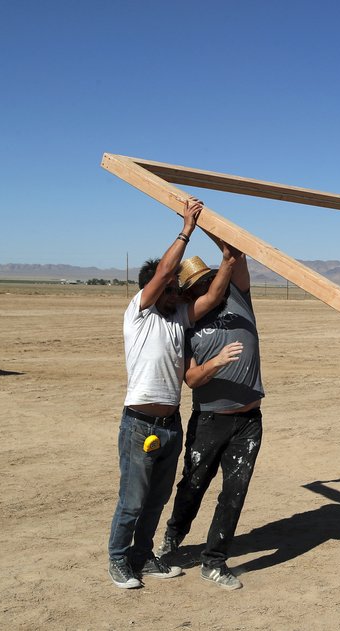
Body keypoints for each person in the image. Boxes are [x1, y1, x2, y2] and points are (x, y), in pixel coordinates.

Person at [107, 199, 238, 589]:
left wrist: (229, 260)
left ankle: (143, 557)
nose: (177, 291)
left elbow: (212, 298)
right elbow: (165, 270)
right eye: (172, 287)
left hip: (170, 424)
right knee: (132, 500)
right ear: (158, 288)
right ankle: (118, 560)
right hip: (139, 423)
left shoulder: (178, 318)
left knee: (156, 500)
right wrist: (187, 229)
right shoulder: (140, 313)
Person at [157, 243, 263, 591]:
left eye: (209, 280)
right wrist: (216, 363)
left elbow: (238, 256)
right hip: (209, 419)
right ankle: (174, 535)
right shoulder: (187, 323)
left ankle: (214, 561)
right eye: (198, 285)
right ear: (190, 293)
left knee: (235, 491)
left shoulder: (238, 298)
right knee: (193, 485)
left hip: (249, 420)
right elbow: (190, 379)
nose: (207, 287)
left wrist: (209, 225)